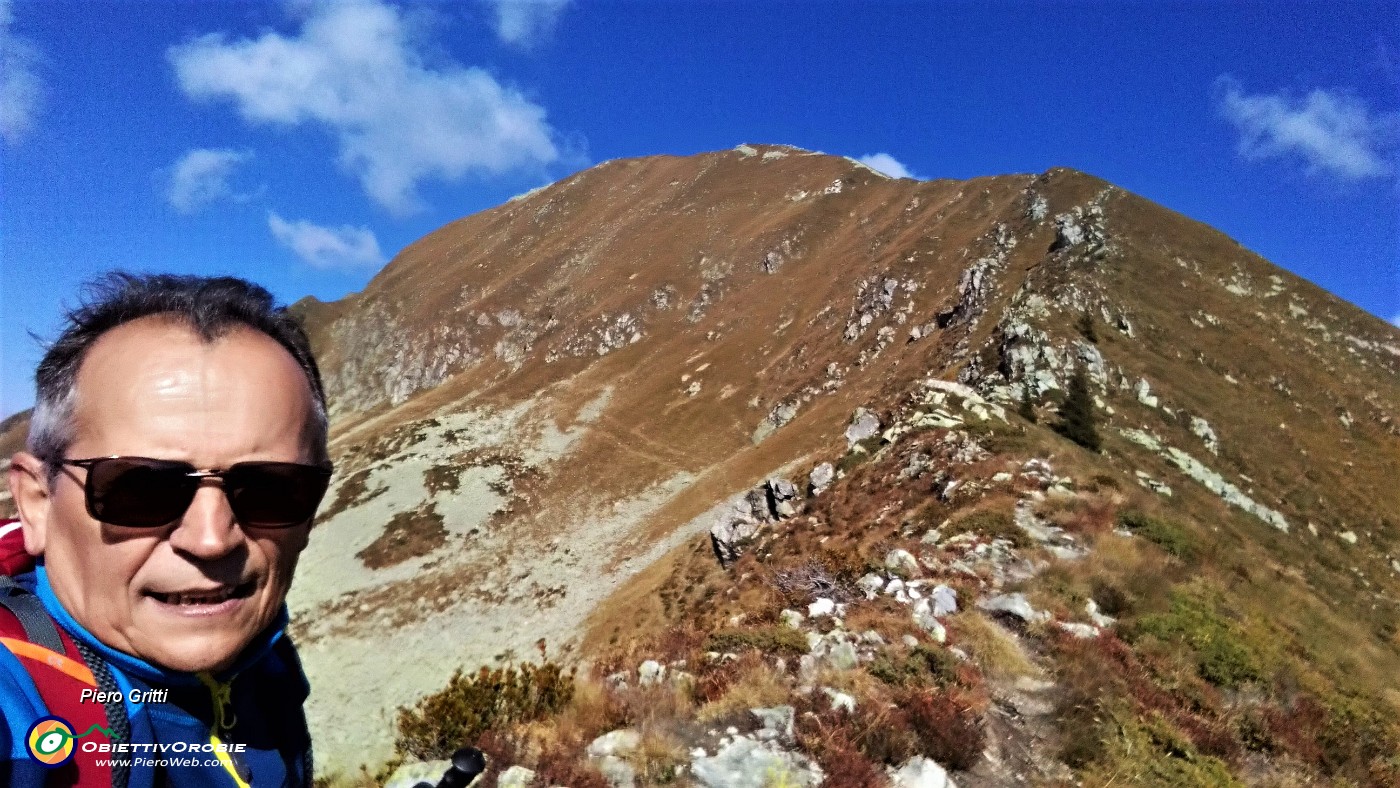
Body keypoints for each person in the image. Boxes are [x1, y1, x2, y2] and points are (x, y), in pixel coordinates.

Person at [1, 273, 333, 787]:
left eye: (271, 488)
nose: (211, 539)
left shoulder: (263, 657)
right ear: (37, 504)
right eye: (142, 488)